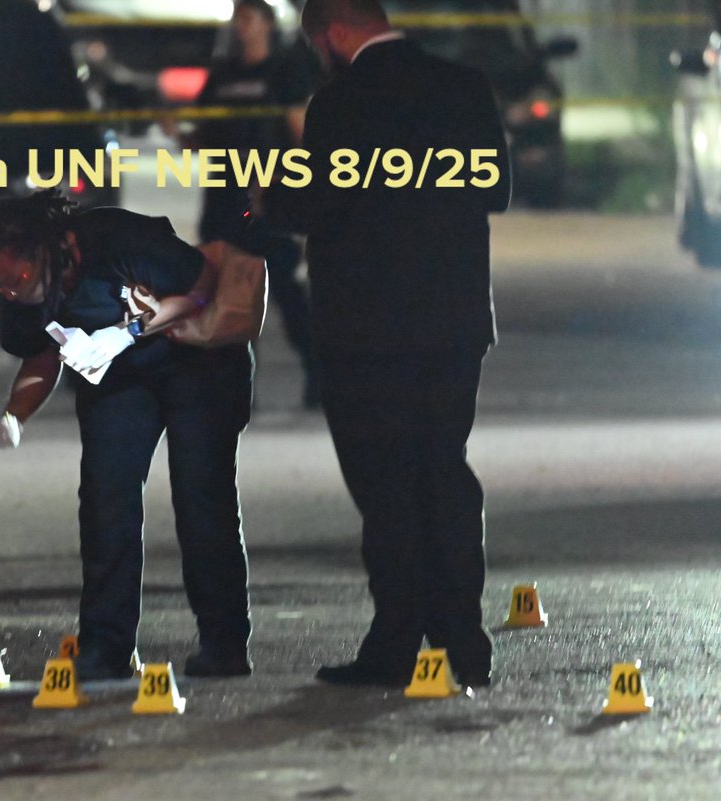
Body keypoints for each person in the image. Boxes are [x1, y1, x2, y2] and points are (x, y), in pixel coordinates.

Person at [259, 0, 511, 687]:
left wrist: (265, 197)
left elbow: (313, 204)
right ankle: (464, 638)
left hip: (366, 329)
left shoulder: (339, 103)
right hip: (454, 319)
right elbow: (497, 189)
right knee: (445, 471)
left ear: (333, 34)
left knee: (387, 485)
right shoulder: (466, 87)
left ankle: (396, 640)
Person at [0, 191, 255, 680]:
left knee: (200, 495)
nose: (10, 293)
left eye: (15, 279)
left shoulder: (118, 239)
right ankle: (105, 646)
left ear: (48, 249)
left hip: (199, 365)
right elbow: (40, 356)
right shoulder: (23, 295)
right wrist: (14, 417)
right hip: (123, 380)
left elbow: (201, 286)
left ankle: (224, 642)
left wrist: (124, 334)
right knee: (107, 495)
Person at [192, 0, 321, 406]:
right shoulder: (222, 76)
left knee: (285, 290)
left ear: (267, 25)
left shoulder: (285, 71)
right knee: (230, 298)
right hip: (224, 201)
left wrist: (303, 190)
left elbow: (301, 134)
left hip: (270, 200)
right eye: (238, 19)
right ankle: (238, 389)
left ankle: (319, 378)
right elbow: (201, 134)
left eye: (249, 18)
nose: (242, 26)